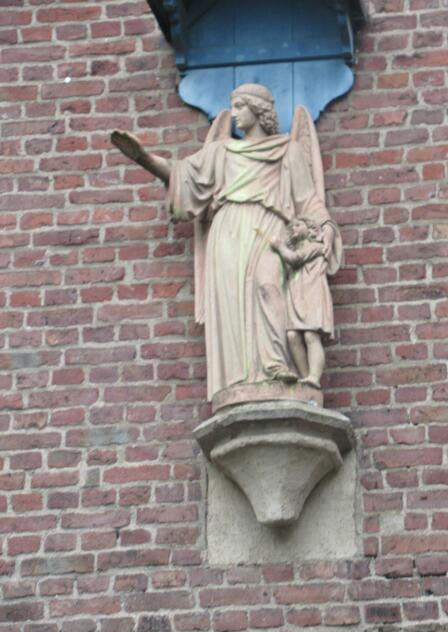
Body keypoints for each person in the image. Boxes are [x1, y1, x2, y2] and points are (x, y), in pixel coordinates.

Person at [111, 84, 341, 400]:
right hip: (228, 231)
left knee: (268, 287)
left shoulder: (287, 151)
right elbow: (181, 175)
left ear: (258, 110)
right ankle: (241, 380)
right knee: (234, 302)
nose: (234, 114)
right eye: (233, 107)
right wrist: (143, 157)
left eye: (240, 106)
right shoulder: (220, 153)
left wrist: (326, 227)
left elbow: (307, 200)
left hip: (270, 229)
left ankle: (276, 366)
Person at [271, 218, 332, 388]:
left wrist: (279, 246)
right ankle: (305, 377)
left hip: (312, 294)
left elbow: (296, 259)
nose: (293, 229)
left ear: (311, 229)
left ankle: (314, 376)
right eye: (291, 227)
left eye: (298, 225)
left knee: (311, 335)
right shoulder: (295, 249)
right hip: (297, 295)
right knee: (292, 336)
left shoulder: (316, 247)